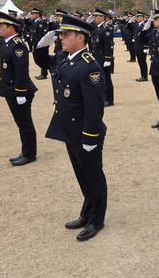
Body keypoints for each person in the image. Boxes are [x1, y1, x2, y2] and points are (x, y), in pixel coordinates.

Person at [34, 15, 107, 241]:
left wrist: (90, 136)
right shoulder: (64, 58)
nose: (61, 38)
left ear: (80, 37)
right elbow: (42, 61)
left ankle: (97, 220)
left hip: (84, 132)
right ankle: (87, 213)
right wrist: (41, 45)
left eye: (66, 35)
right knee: (82, 176)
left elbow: (95, 109)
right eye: (60, 34)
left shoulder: (90, 67)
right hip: (68, 129)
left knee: (93, 177)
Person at [0, 12, 38, 166]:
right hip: (9, 88)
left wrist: (20, 92)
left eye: (1, 25)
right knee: (20, 123)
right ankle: (26, 151)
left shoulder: (18, 44)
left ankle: (30, 154)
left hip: (19, 91)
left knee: (25, 123)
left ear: (10, 28)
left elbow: (22, 70)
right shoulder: (6, 42)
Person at [90, 8, 115, 107]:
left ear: (102, 17)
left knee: (106, 79)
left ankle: (109, 100)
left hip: (103, 58)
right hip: (96, 57)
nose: (95, 18)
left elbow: (107, 45)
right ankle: (103, 97)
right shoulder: (97, 28)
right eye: (95, 16)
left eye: (96, 16)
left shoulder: (106, 29)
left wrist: (108, 59)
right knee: (99, 79)